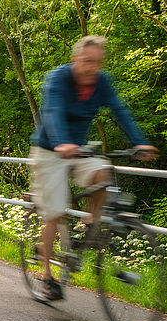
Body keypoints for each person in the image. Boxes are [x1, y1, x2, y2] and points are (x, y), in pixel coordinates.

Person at [30, 35, 157, 300]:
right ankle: (46, 278)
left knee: (103, 173)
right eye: (87, 62)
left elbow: (120, 110)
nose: (92, 68)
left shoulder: (101, 82)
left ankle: (90, 223)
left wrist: (140, 143)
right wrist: (61, 142)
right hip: (49, 149)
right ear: (75, 59)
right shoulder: (58, 78)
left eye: (97, 63)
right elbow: (52, 112)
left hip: (78, 149)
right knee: (54, 213)